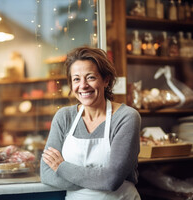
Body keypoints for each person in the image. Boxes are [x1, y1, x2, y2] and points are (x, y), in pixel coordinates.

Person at [41, 46, 141, 199]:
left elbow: (111, 180)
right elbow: (47, 173)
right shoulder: (64, 117)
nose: (83, 85)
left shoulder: (126, 117)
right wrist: (99, 179)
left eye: (90, 77)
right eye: (76, 79)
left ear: (106, 80)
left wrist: (61, 167)